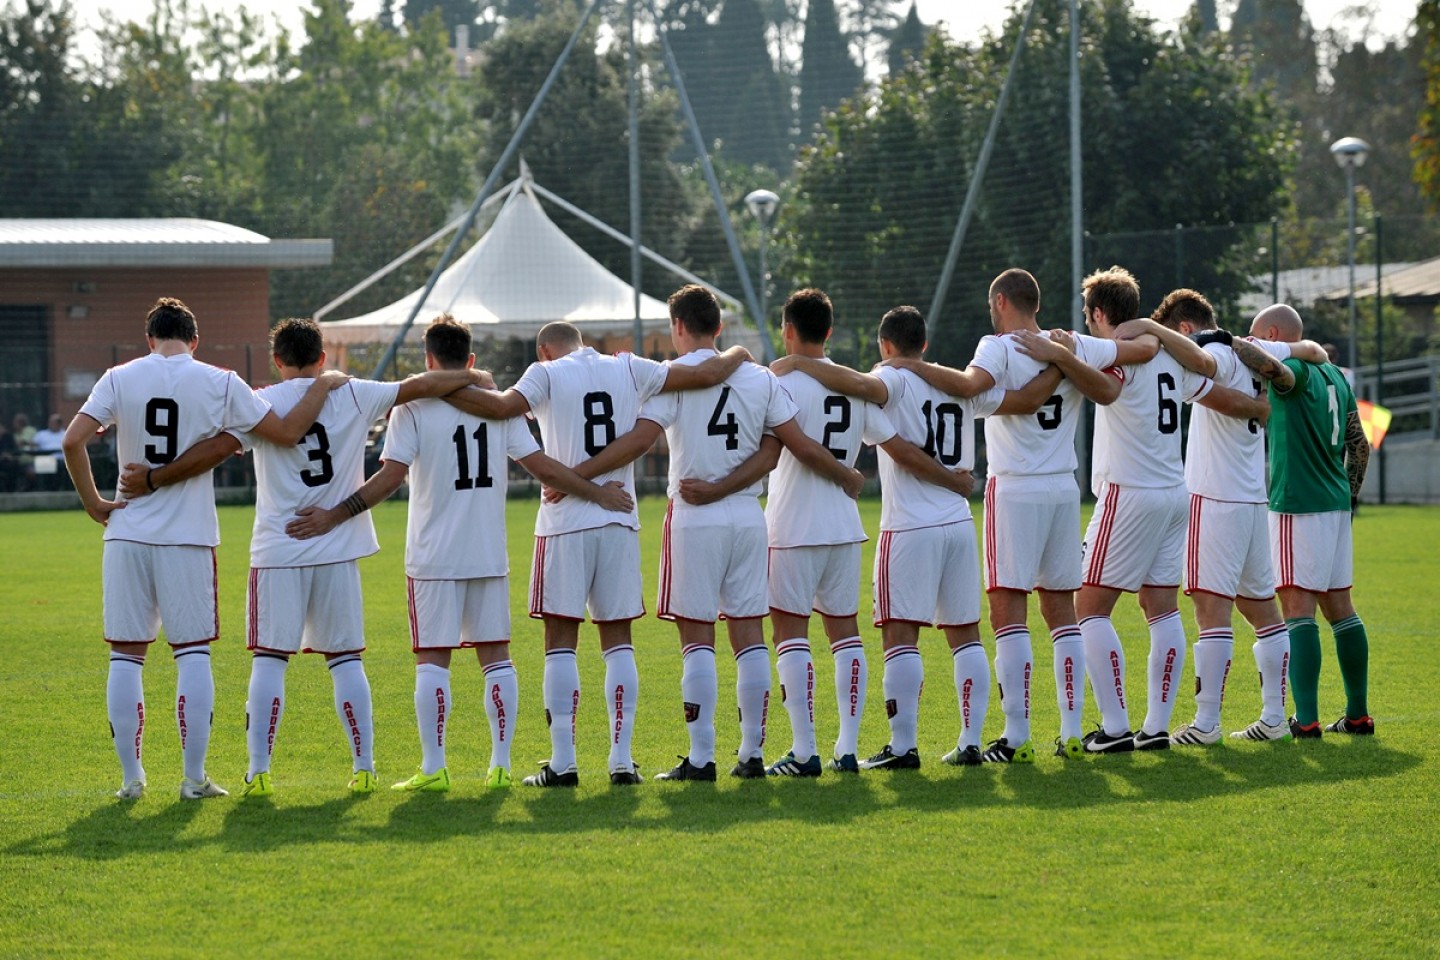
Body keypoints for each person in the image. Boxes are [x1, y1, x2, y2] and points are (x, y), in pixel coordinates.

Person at [126, 317, 485, 797]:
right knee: (346, 661)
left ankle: (259, 773)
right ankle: (363, 768)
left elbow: (215, 449)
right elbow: (421, 384)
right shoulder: (356, 393)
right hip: (338, 548)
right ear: (322, 357)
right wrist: (473, 376)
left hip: (278, 548)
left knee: (270, 661)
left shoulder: (262, 402)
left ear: (277, 361)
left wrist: (155, 475)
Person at [282, 315, 635, 792]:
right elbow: (542, 467)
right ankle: (501, 765)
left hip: (432, 554)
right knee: (497, 658)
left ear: (428, 361)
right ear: (470, 360)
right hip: (487, 550)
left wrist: (334, 515)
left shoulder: (413, 409)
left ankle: (434, 767)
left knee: (432, 659)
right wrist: (595, 492)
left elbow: (389, 477)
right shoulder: (499, 409)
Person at [566, 284, 863, 782]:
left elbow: (640, 440)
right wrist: (729, 485)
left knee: (697, 639)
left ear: (678, 327)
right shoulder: (761, 378)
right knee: (749, 638)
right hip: (748, 517)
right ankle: (750, 753)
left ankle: (702, 758)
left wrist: (578, 474)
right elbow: (775, 451)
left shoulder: (676, 380)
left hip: (696, 517)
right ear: (720, 326)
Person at [443, 321, 750, 787]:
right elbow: (705, 375)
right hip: (618, 518)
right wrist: (738, 353)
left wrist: (437, 386)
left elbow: (502, 406)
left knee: (561, 642)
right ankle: (622, 761)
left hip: (565, 523)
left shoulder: (545, 373)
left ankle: (563, 763)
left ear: (545, 350)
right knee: (618, 641)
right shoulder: (629, 365)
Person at [63, 297, 344, 801]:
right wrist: (323, 384)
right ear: (195, 341)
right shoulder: (220, 380)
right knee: (192, 654)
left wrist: (95, 503)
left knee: (126, 657)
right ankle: (194, 779)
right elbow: (285, 431)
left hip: (126, 533)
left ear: (149, 340)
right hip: (188, 537)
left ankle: (131, 780)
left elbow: (72, 440)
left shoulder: (119, 376)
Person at [767, 300, 1061, 769]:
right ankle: (969, 740)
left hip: (909, 526)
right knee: (965, 635)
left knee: (900, 637)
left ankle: (902, 746)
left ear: (886, 346)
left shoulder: (890, 380)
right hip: (959, 524)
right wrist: (1061, 365)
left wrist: (801, 362)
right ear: (924, 343)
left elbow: (865, 394)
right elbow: (1025, 401)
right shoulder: (961, 385)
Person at [872, 269, 1149, 761]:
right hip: (1064, 487)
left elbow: (967, 383)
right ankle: (1068, 731)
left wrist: (911, 367)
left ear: (1000, 301)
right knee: (1062, 613)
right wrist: (1065, 359)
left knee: (1007, 613)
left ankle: (1017, 736)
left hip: (1015, 487)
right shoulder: (1071, 343)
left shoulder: (997, 347)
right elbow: (1130, 364)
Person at [1111, 291, 1327, 743]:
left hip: (1215, 496)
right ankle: (1273, 718)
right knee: (1263, 613)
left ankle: (1206, 723)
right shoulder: (1256, 348)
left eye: (1172, 333)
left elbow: (1205, 365)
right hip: (1251, 499)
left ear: (1184, 329)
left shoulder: (1215, 349)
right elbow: (1312, 350)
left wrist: (1151, 330)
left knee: (1211, 611)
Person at [1244, 303, 1372, 738]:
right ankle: (1357, 715)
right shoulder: (1336, 376)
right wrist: (1348, 496)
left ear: (1275, 333)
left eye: (1256, 332)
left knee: (1297, 610)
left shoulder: (1294, 369)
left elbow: (1264, 364)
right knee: (1341, 609)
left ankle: (1307, 720)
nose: (1250, 338)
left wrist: (1236, 344)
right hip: (1336, 505)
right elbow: (1361, 445)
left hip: (1297, 503)